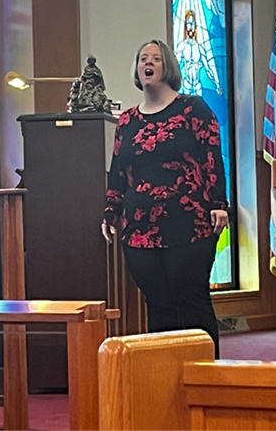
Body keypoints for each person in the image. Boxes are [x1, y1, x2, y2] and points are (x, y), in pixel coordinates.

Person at [101, 40, 228, 357]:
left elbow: (212, 156)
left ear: (167, 66)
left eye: (156, 58)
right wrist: (110, 211)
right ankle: (163, 379)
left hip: (190, 223)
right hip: (139, 228)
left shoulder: (193, 109)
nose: (149, 62)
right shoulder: (127, 121)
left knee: (190, 299)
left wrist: (219, 205)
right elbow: (118, 170)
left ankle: (206, 378)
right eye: (143, 58)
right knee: (157, 305)